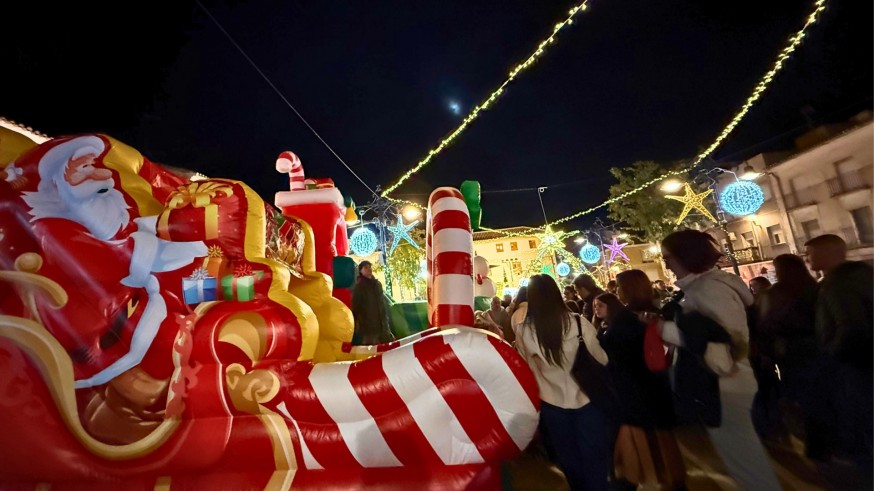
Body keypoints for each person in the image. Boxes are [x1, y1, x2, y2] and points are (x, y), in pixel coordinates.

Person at [659, 229, 781, 491]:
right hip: (723, 381)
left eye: (667, 257)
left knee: (744, 460)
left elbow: (725, 339)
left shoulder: (710, 288)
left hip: (724, 382)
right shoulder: (704, 287)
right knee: (741, 457)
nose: (665, 264)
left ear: (685, 255)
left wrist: (664, 330)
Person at [515, 274, 611, 491]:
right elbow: (602, 359)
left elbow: (527, 369)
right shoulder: (578, 322)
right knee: (595, 458)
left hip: (551, 403)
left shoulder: (523, 331)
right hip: (586, 399)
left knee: (568, 458)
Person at [805, 234, 873, 477]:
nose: (807, 259)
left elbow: (851, 326)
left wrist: (832, 354)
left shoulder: (837, 284)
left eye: (810, 253)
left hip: (852, 363)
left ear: (827, 253)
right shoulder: (864, 276)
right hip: (864, 359)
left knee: (858, 417)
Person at [611, 270, 684, 488]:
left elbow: (616, 349)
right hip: (656, 379)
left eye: (619, 287)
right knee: (663, 433)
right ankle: (674, 479)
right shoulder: (655, 312)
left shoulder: (625, 317)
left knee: (639, 433)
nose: (617, 291)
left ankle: (645, 478)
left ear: (628, 289)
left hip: (633, 382)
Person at [757, 254, 821, 453]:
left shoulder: (775, 294)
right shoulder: (815, 288)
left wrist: (766, 352)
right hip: (818, 347)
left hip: (790, 350)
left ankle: (814, 442)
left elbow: (766, 324)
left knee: (801, 395)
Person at [352, 260, 394, 345]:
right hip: (368, 327)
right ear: (361, 271)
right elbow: (356, 307)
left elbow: (382, 304)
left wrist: (385, 322)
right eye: (366, 267)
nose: (369, 269)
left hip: (382, 325)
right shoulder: (359, 287)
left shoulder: (377, 284)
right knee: (371, 348)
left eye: (370, 267)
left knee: (388, 347)